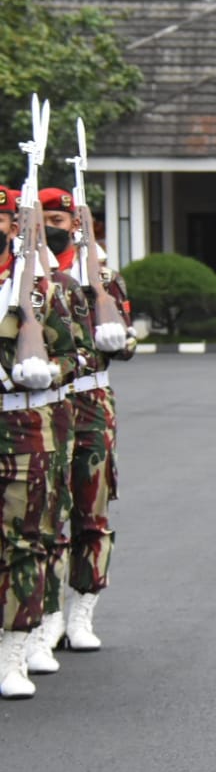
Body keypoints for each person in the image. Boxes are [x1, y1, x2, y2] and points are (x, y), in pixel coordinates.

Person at [38, 187, 134, 658]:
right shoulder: (32, 276)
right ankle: (47, 615)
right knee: (45, 514)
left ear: (76, 224)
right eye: (46, 219)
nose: (54, 227)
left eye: (61, 219)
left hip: (92, 400)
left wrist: (111, 330)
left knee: (90, 509)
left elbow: (127, 342)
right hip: (50, 404)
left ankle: (83, 610)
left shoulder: (99, 271)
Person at [0, 186, 81, 699]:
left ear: (13, 226)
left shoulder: (32, 289)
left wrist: (43, 370)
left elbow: (72, 357)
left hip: (21, 427)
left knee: (24, 542)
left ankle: (14, 653)